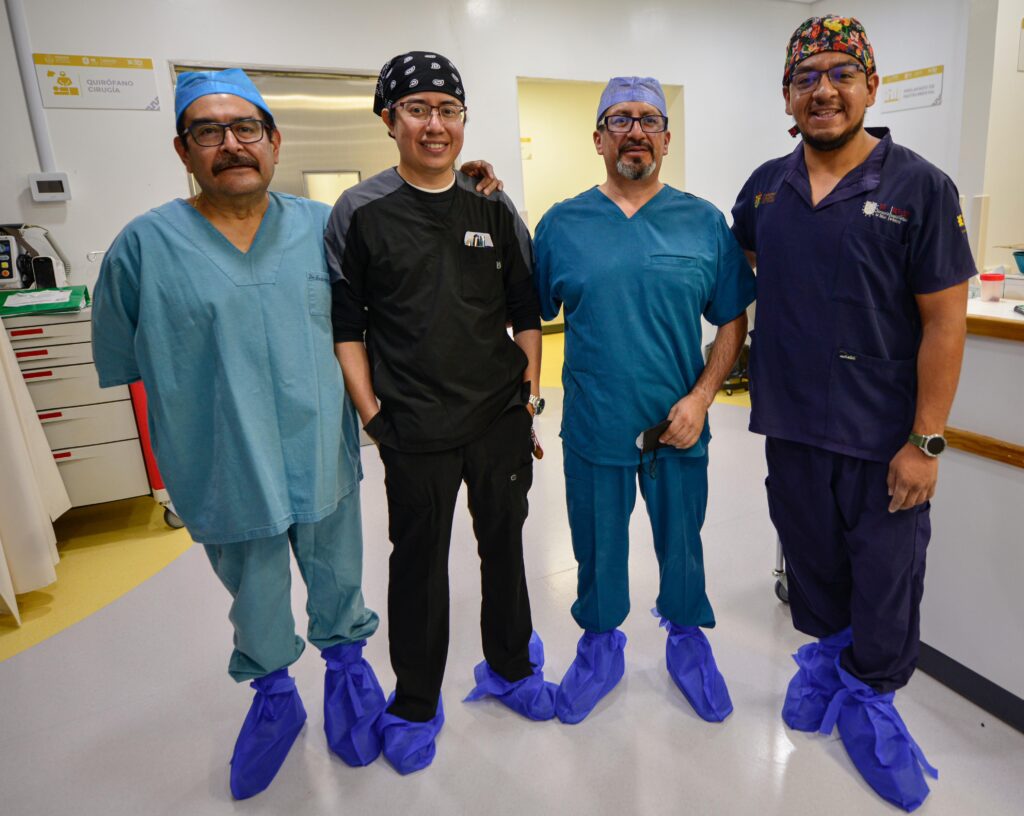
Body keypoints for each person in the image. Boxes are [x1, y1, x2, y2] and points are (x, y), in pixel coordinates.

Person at [94, 69, 390, 800]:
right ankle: (274, 699)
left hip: (320, 449)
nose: (231, 144)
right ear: (183, 149)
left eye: (246, 128)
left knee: (338, 575)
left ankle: (348, 677)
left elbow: (380, 315)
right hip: (221, 460)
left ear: (274, 141)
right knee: (253, 596)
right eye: (208, 131)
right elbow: (125, 362)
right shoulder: (142, 247)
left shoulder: (325, 229)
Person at [730, 16, 974, 811]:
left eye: (842, 73)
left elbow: (945, 323)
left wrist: (926, 441)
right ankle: (829, 662)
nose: (824, 89)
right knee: (813, 568)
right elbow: (754, 263)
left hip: (882, 438)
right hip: (794, 427)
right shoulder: (766, 188)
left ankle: (870, 699)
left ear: (871, 86)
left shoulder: (920, 188)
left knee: (886, 580)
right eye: (807, 77)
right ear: (787, 96)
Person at [327, 51, 556, 775]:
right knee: (418, 566)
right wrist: (373, 416)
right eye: (417, 109)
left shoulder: (492, 206)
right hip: (413, 427)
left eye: (448, 110)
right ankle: (416, 702)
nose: (435, 124)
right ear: (389, 119)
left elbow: (526, 313)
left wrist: (528, 398)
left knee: (505, 548)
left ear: (463, 120)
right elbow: (347, 327)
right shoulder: (361, 212)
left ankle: (511, 668)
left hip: (497, 419)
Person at [533, 77, 755, 725]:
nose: (635, 131)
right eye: (620, 119)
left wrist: (703, 399)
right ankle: (600, 648)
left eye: (649, 119)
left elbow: (732, 319)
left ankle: (688, 644)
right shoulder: (562, 225)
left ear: (666, 137)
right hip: (596, 423)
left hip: (676, 425)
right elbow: (526, 318)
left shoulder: (703, 223)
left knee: (683, 544)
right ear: (598, 139)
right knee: (597, 546)